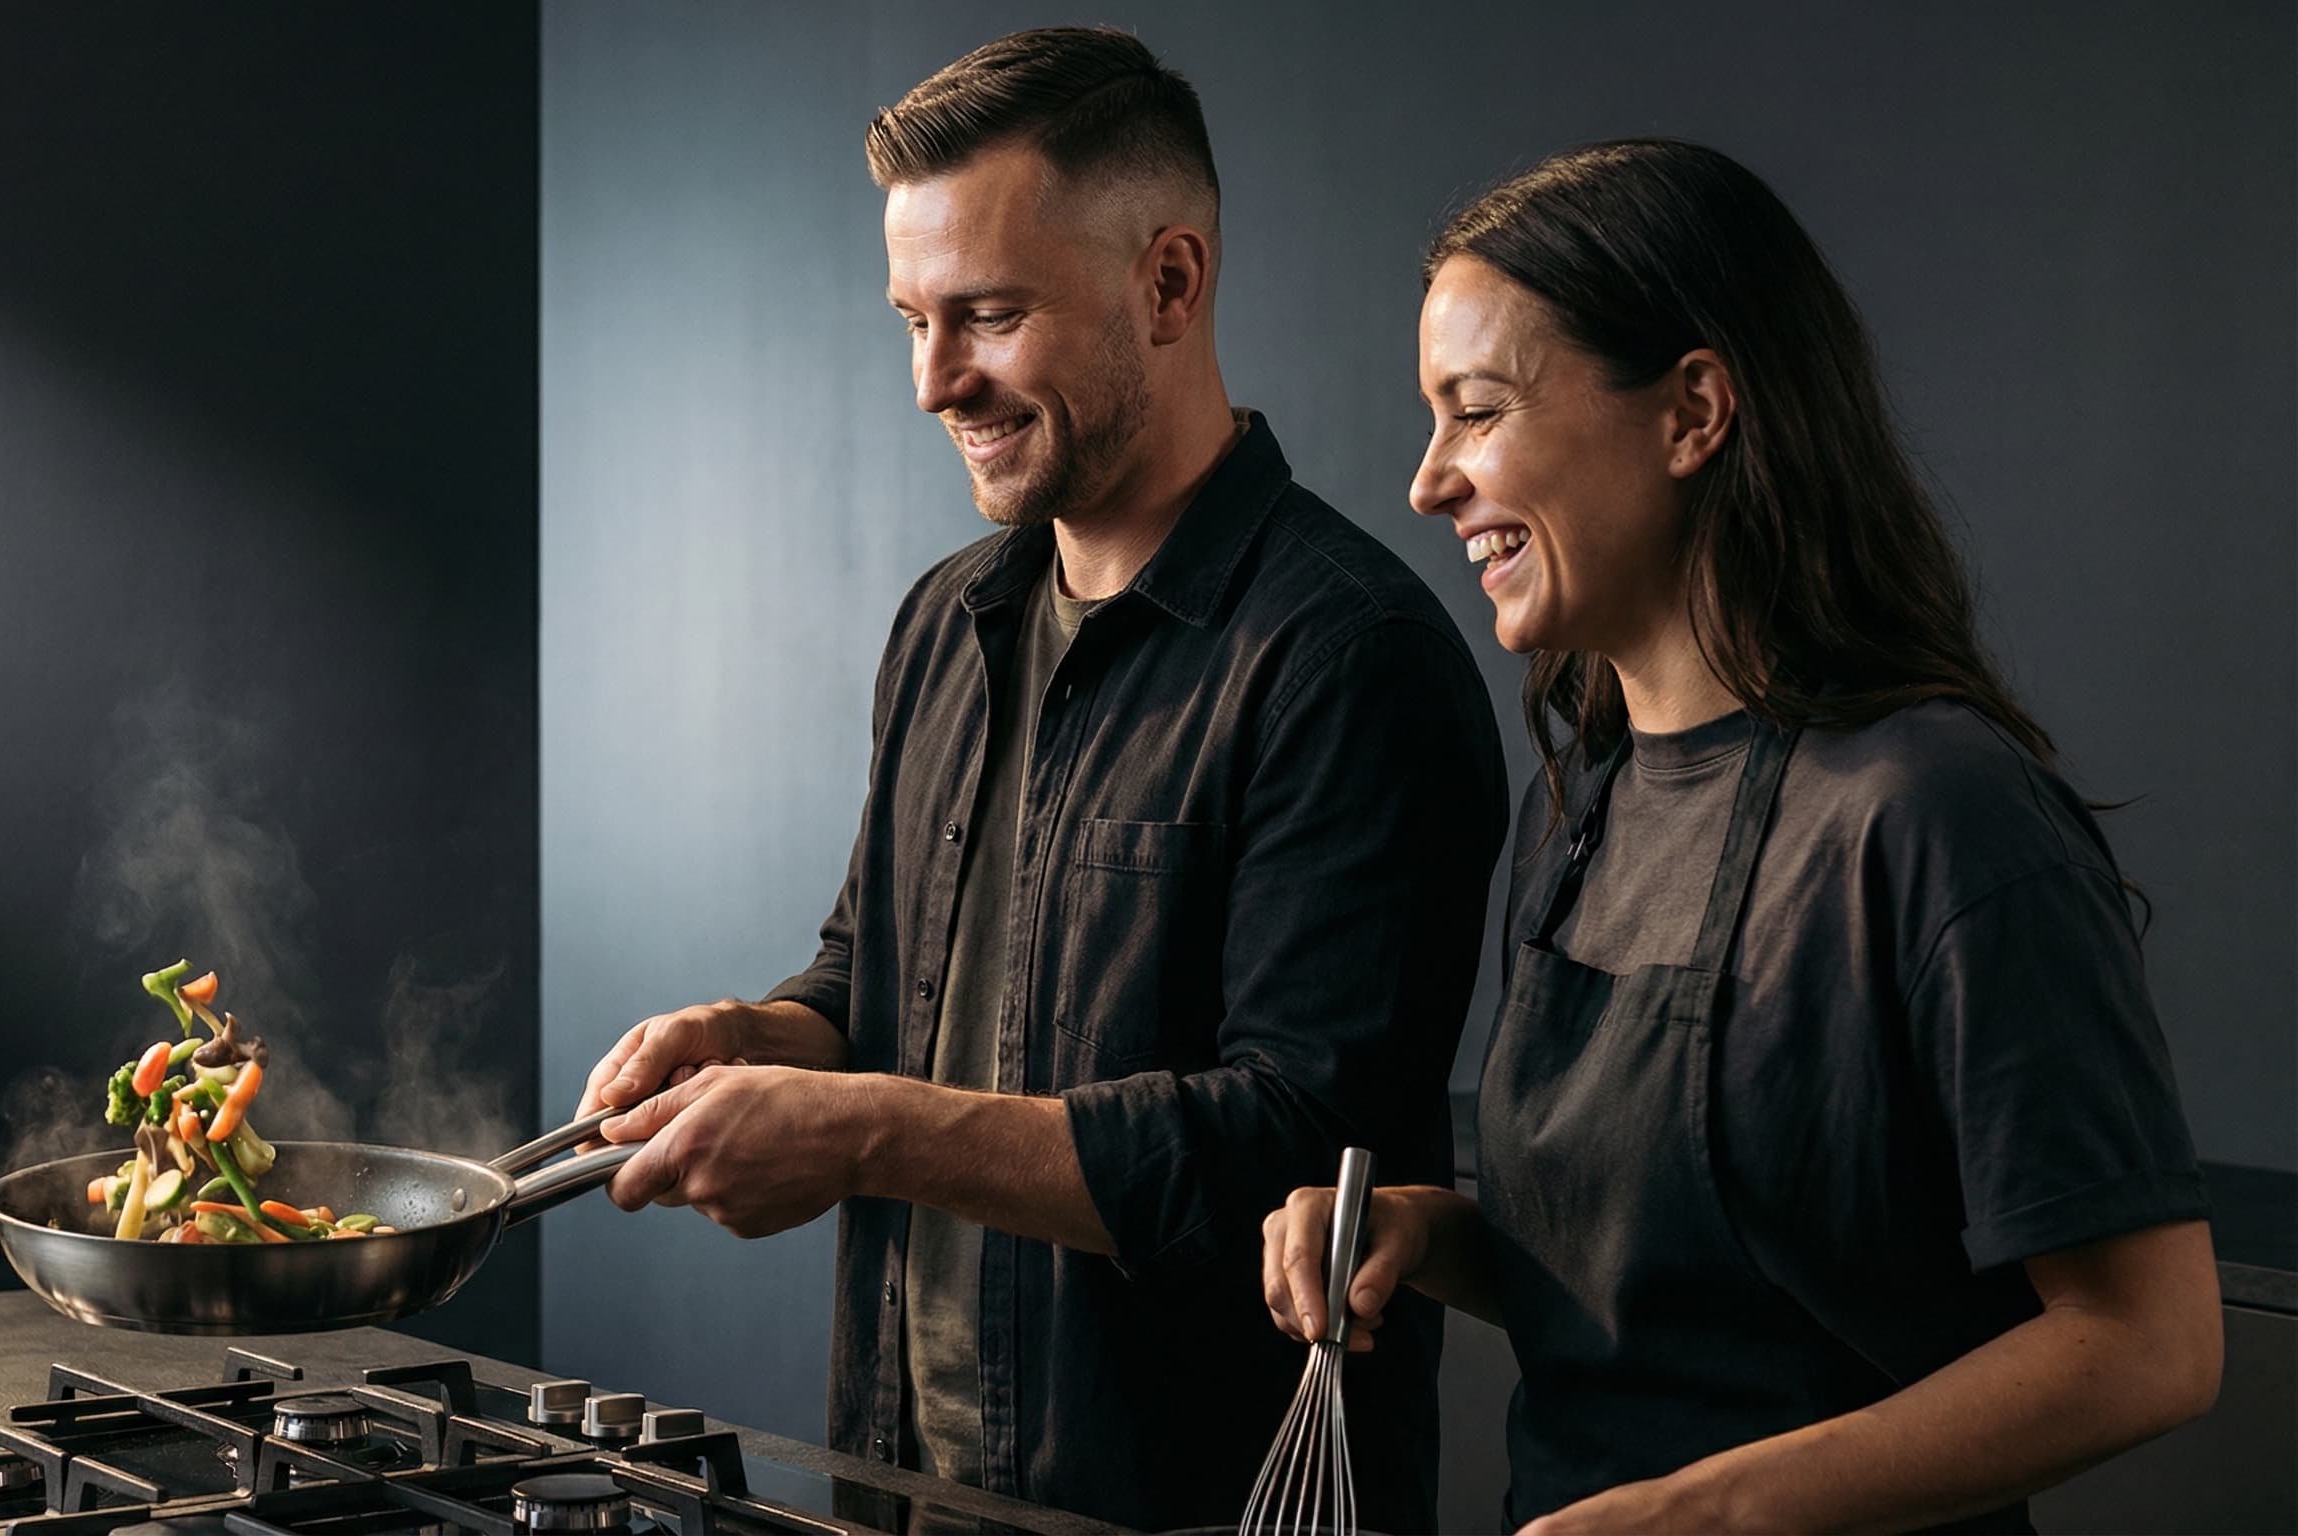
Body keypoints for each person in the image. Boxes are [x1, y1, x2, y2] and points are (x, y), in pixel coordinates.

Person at [578, 25, 1507, 1530]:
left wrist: (867, 1130)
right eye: (911, 319)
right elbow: (871, 977)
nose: (936, 379)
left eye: (989, 315)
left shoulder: (1350, 658)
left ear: (1170, 283)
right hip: (902, 1489)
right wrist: (759, 1037)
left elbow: (1283, 1150)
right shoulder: (948, 622)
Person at [1262, 138, 2221, 1534]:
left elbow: (2149, 1343)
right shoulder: (1576, 807)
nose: (1428, 483)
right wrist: (1427, 1237)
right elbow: (1666, 1284)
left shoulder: (1934, 813)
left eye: (1475, 413)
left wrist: (1709, 1514)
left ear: (1692, 411)